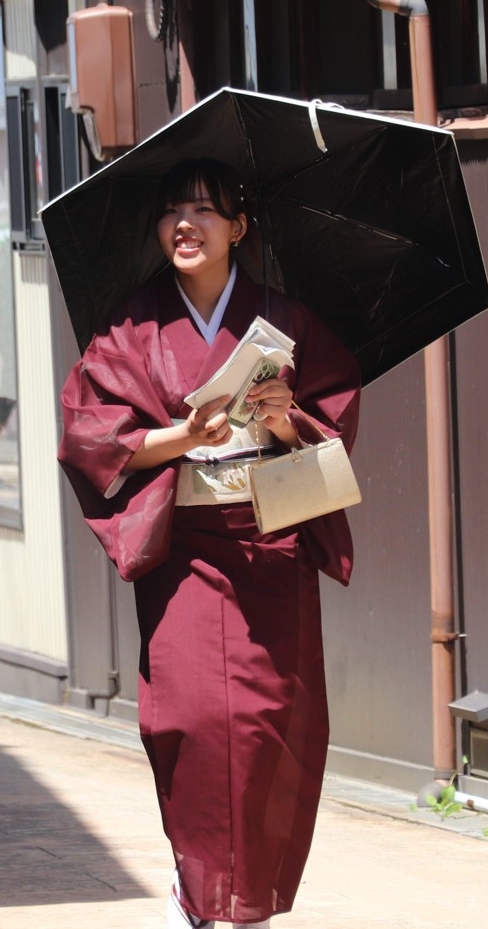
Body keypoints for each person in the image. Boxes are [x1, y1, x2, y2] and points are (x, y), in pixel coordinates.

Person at [58, 159, 361, 929]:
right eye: (171, 211)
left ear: (240, 226)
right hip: (185, 548)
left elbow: (328, 424)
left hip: (269, 548)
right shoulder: (130, 325)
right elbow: (93, 436)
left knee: (266, 728)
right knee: (186, 723)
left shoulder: (285, 320)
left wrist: (286, 412)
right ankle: (196, 891)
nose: (184, 225)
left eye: (204, 210)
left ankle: (248, 902)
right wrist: (180, 436)